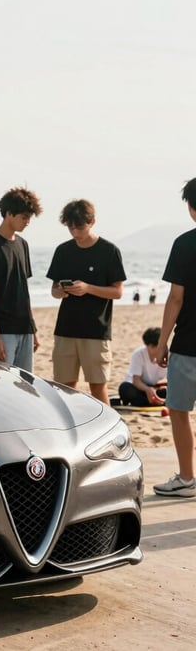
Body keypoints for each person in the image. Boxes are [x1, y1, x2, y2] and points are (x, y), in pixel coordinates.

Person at [46, 199, 126, 405]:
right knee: (64, 388)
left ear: (92, 222)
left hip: (96, 330)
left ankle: (107, 432)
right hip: (65, 328)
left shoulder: (109, 251)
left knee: (98, 387)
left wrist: (88, 288)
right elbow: (54, 291)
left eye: (79, 226)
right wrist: (60, 291)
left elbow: (117, 292)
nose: (74, 231)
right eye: (70, 226)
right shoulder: (63, 251)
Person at [153, 178, 196, 497]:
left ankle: (186, 478)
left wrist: (161, 341)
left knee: (180, 411)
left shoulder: (184, 244)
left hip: (188, 344)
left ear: (192, 209)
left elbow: (176, 299)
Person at [0, 187, 42, 371]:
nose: (27, 222)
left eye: (29, 217)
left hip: (24, 329)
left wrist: (32, 329)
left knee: (25, 388)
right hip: (2, 331)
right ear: (9, 213)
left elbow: (23, 290)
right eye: (24, 217)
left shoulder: (22, 244)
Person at [118, 327, 167, 408]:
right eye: (153, 347)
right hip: (140, 387)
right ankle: (147, 402)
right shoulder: (138, 354)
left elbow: (171, 378)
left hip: (156, 388)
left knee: (171, 391)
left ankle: (147, 402)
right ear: (148, 346)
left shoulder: (167, 355)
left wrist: (162, 386)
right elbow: (136, 381)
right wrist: (147, 390)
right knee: (125, 388)